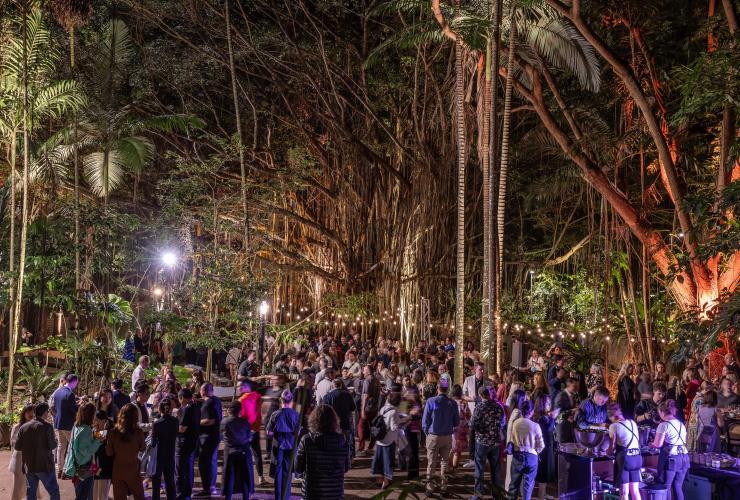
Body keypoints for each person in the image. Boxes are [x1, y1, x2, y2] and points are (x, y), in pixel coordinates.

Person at [295, 404, 350, 500]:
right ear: (334, 421)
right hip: (335, 494)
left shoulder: (307, 440)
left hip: (312, 493)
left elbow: (298, 468)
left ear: (313, 420)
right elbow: (345, 468)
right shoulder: (342, 441)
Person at [15, 402, 60, 500]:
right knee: (54, 491)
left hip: (29, 466)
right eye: (47, 411)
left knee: (31, 493)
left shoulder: (24, 427)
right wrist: (56, 440)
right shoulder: (47, 427)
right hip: (45, 465)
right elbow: (52, 445)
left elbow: (17, 447)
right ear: (44, 412)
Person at [422, 380, 459, 494]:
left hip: (433, 435)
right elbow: (456, 422)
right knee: (444, 462)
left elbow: (425, 421)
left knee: (431, 463)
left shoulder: (430, 401)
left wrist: (427, 433)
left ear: (437, 388)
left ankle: (430, 487)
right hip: (447, 435)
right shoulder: (452, 403)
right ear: (447, 389)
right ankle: (444, 487)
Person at [470, 386, 506, 500]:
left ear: (480, 395)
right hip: (495, 442)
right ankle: (497, 494)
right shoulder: (498, 406)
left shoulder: (480, 407)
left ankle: (478, 494)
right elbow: (503, 422)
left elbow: (473, 424)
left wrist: (482, 430)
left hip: (482, 442)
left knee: (479, 468)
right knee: (495, 469)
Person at [649, 400, 689, 500]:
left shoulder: (663, 425)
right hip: (684, 457)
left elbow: (658, 444)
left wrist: (651, 444)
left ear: (662, 412)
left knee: (666, 486)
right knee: (678, 486)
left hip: (672, 459)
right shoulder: (681, 424)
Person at [105, 403, 146, 500]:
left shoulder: (113, 432)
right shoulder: (138, 432)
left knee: (119, 497)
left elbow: (109, 452)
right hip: (133, 469)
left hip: (118, 469)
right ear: (135, 416)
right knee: (139, 496)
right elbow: (143, 448)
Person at [265, 389, 300, 500]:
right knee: (287, 473)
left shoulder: (276, 414)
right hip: (290, 445)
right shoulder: (295, 414)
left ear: (281, 400)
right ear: (291, 400)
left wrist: (277, 430)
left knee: (278, 471)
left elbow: (268, 432)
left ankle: (278, 497)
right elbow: (297, 432)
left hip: (278, 445)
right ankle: (286, 496)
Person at [64, 402, 102, 500]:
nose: (95, 416)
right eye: (94, 413)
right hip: (83, 468)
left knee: (82, 494)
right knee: (83, 496)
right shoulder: (86, 430)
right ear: (91, 415)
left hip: (77, 466)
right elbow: (86, 450)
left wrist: (97, 432)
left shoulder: (77, 426)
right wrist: (98, 439)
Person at [508, 400, 544, 500]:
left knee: (514, 485)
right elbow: (541, 445)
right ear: (532, 411)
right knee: (527, 486)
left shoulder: (515, 423)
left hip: (517, 456)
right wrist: (536, 451)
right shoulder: (535, 426)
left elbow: (512, 439)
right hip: (531, 457)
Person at [371, 391, 408, 489]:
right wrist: (405, 420)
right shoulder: (394, 411)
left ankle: (379, 480)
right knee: (388, 461)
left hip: (380, 439)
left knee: (379, 461)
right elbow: (394, 427)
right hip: (389, 441)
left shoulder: (384, 408)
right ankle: (386, 482)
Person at [607, 402, 642, 500]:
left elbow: (612, 447)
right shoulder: (632, 422)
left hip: (625, 461)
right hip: (637, 459)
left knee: (624, 493)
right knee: (635, 491)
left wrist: (606, 452)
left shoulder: (614, 426)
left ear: (612, 416)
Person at [221, 401, 254, 500]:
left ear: (229, 410)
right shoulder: (245, 422)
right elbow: (249, 437)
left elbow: (221, 436)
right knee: (245, 476)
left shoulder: (224, 422)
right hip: (244, 451)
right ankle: (246, 497)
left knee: (229, 476)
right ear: (240, 410)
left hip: (230, 451)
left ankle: (228, 497)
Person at [194, 383, 222, 497]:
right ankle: (211, 486)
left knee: (204, 464)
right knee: (212, 462)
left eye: (201, 390)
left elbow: (210, 420)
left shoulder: (209, 403)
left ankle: (206, 489)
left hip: (207, 437)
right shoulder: (215, 400)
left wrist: (195, 423)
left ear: (203, 391)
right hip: (214, 436)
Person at [49, 373, 79, 478]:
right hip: (68, 424)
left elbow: (57, 407)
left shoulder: (57, 392)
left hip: (58, 423)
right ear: (74, 382)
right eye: (76, 383)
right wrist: (80, 405)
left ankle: (59, 469)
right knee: (71, 447)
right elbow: (73, 410)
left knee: (61, 447)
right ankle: (67, 469)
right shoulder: (70, 394)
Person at [462, 362, 490, 466]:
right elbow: (463, 395)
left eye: (483, 370)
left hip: (484, 413)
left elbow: (492, 396)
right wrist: (470, 398)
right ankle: (471, 458)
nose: (482, 371)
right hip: (472, 411)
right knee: (472, 435)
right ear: (475, 370)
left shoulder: (488, 382)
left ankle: (483, 457)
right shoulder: (468, 380)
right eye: (480, 369)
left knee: (483, 435)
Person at [150, 399, 178, 500]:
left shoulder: (157, 424)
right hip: (170, 454)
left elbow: (153, 443)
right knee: (170, 482)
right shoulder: (175, 421)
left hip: (158, 456)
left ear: (159, 409)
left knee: (156, 483)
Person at [175, 388, 200, 500]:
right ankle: (187, 493)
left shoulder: (187, 409)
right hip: (193, 442)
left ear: (181, 398)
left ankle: (182, 494)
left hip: (184, 443)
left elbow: (182, 428)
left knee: (181, 470)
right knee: (189, 469)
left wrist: (173, 426)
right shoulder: (196, 407)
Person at [238, 379, 264, 484]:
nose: (238, 388)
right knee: (257, 454)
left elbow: (240, 416)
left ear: (246, 386)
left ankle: (244, 477)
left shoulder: (241, 400)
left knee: (245, 454)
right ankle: (261, 477)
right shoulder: (258, 396)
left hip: (245, 431)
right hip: (255, 430)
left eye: (240, 386)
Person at [323, 378, 357, 458]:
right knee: (346, 443)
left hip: (333, 424)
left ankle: (335, 459)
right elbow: (353, 408)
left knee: (333, 443)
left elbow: (324, 411)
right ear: (341, 385)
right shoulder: (347, 395)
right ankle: (346, 460)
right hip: (345, 422)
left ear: (332, 386)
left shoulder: (327, 396)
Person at [9, 404, 35, 500]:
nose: (31, 414)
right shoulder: (17, 427)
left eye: (33, 411)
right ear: (24, 413)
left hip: (32, 461)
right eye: (28, 411)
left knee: (31, 487)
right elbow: (14, 443)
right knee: (17, 487)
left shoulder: (36, 427)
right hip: (19, 460)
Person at [533, 394, 556, 500]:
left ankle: (544, 493)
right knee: (543, 471)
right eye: (548, 403)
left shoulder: (545, 416)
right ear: (542, 404)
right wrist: (553, 418)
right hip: (543, 448)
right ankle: (540, 496)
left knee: (547, 471)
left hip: (549, 446)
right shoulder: (540, 418)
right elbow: (547, 430)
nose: (549, 405)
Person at [357, 364, 382, 454]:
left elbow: (366, 395)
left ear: (368, 371)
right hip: (374, 408)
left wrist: (362, 408)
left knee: (360, 426)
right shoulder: (376, 380)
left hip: (367, 408)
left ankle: (361, 448)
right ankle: (371, 447)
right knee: (373, 427)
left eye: (364, 370)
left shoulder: (367, 381)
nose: (363, 372)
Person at [92, 411, 113, 500]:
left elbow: (100, 440)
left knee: (102, 494)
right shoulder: (95, 431)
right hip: (95, 466)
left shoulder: (107, 433)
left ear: (103, 420)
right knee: (94, 492)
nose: (94, 421)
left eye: (96, 420)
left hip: (104, 467)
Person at [450, 384, 470, 472]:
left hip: (450, 426)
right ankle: (454, 468)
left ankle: (447, 466)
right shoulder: (464, 402)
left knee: (450, 448)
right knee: (458, 450)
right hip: (461, 427)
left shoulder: (449, 402)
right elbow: (468, 414)